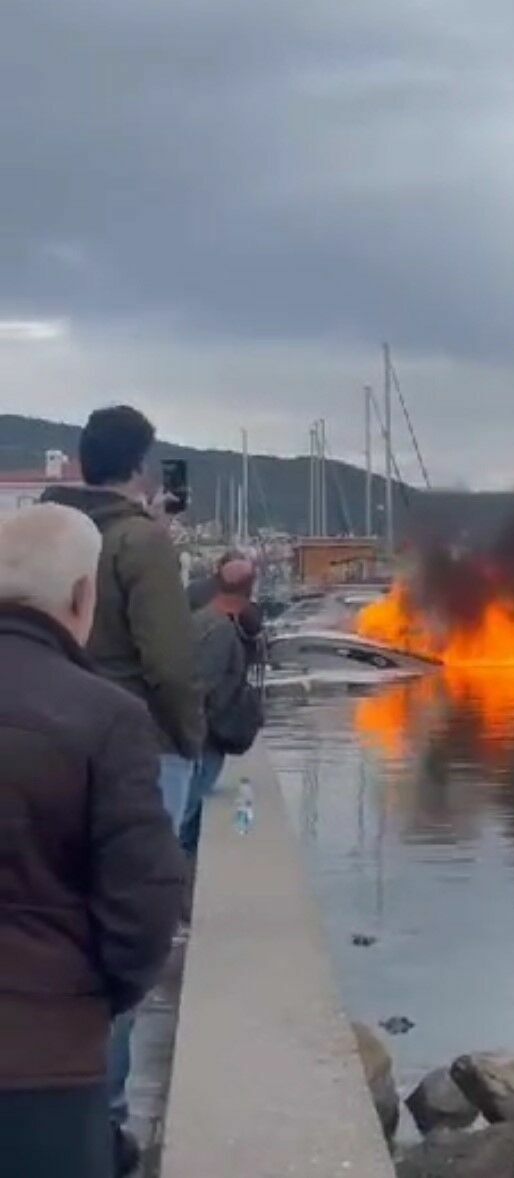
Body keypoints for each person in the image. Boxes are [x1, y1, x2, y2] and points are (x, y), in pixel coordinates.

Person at [41, 404, 204, 1170]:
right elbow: (170, 663)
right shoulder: (142, 541)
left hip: (42, 739)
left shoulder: (42, 530)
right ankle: (102, 1122)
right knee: (122, 935)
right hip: (134, 747)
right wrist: (191, 740)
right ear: (141, 466)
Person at [0, 506, 184, 1178]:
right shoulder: (105, 717)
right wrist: (95, 1000)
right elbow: (145, 902)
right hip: (44, 1067)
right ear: (83, 598)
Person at [180, 552, 265, 860]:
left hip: (197, 736)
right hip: (205, 740)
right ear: (250, 589)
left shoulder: (203, 620)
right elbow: (202, 686)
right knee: (187, 810)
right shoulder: (220, 631)